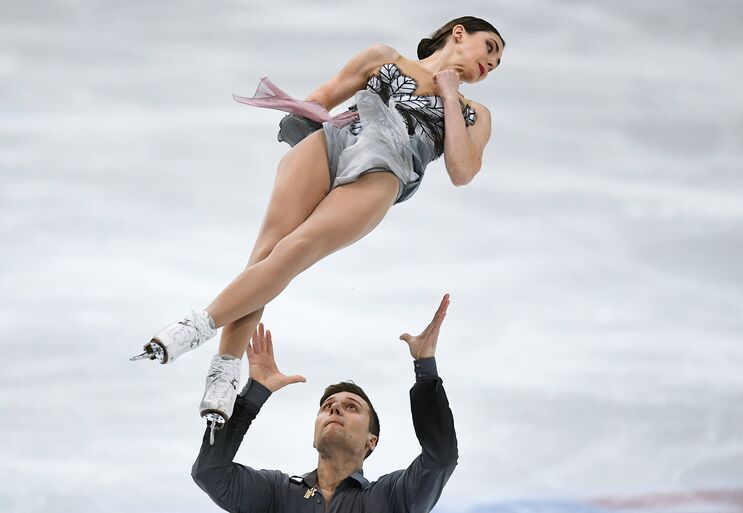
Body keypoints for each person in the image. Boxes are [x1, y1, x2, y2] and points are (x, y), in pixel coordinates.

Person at [132, 16, 505, 429]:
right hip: (331, 143)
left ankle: (197, 326)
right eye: (490, 47)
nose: (491, 63)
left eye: (498, 63)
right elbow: (324, 97)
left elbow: (461, 170)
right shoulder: (385, 57)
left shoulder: (475, 113)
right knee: (266, 253)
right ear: (458, 33)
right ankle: (224, 372)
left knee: (297, 249)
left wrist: (451, 96)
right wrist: (305, 124)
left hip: (384, 170)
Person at [191, 294, 457, 513]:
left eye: (352, 406)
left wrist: (425, 368)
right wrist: (253, 396)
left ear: (371, 441)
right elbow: (210, 472)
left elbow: (440, 458)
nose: (335, 408)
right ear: (314, 436)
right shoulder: (275, 493)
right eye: (327, 406)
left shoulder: (390, 497)